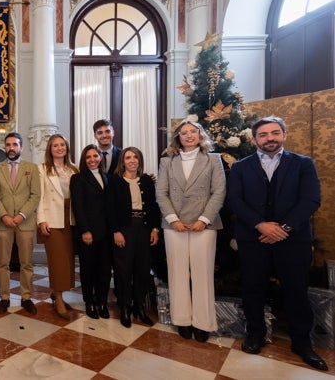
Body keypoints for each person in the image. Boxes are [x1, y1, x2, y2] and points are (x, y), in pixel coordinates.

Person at [227, 116, 327, 371]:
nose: (269, 138)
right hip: (253, 238)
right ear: (253, 140)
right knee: (253, 289)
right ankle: (255, 335)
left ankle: (302, 343)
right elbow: (235, 200)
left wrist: (283, 229)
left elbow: (311, 200)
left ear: (284, 134)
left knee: (296, 291)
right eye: (263, 134)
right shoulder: (240, 167)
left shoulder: (303, 164)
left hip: (292, 240)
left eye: (274, 133)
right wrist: (261, 225)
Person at [155, 120, 225, 343]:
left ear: (200, 134)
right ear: (178, 138)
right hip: (174, 224)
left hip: (203, 225)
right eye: (183, 133)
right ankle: (182, 320)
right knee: (177, 273)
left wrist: (204, 219)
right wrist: (173, 219)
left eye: (192, 132)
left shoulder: (213, 159)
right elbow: (161, 193)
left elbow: (219, 192)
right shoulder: (167, 161)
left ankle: (203, 323)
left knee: (202, 274)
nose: (188, 136)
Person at [0, 132, 41, 315]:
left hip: (25, 223)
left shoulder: (32, 168)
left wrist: (20, 215)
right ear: (5, 147)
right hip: (3, 223)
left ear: (21, 147)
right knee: (2, 263)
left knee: (26, 263)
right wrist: (4, 215)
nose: (11, 148)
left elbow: (35, 195)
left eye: (15, 144)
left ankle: (26, 297)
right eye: (8, 145)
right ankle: (4, 297)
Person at [109, 147, 160, 328]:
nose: (132, 160)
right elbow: (111, 208)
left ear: (139, 160)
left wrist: (155, 229)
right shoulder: (115, 181)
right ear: (122, 161)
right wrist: (116, 231)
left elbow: (154, 206)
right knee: (123, 269)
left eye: (135, 157)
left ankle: (139, 307)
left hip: (144, 228)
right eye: (128, 157)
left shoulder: (146, 181)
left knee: (142, 269)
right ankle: (124, 306)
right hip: (124, 229)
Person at [36, 134, 78, 320]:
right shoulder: (43, 169)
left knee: (68, 259)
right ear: (50, 149)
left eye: (62, 145)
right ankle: (58, 296)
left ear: (67, 147)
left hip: (71, 218)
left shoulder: (74, 169)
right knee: (57, 259)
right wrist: (41, 220)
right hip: (52, 219)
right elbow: (40, 197)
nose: (59, 148)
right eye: (55, 146)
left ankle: (59, 293)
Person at [70, 144, 113, 320]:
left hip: (107, 233)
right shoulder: (78, 178)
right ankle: (89, 302)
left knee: (104, 269)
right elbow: (78, 208)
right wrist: (85, 231)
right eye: (88, 157)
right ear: (84, 160)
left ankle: (102, 302)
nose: (92, 160)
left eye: (95, 156)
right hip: (88, 233)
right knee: (88, 270)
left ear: (100, 158)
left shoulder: (108, 177)